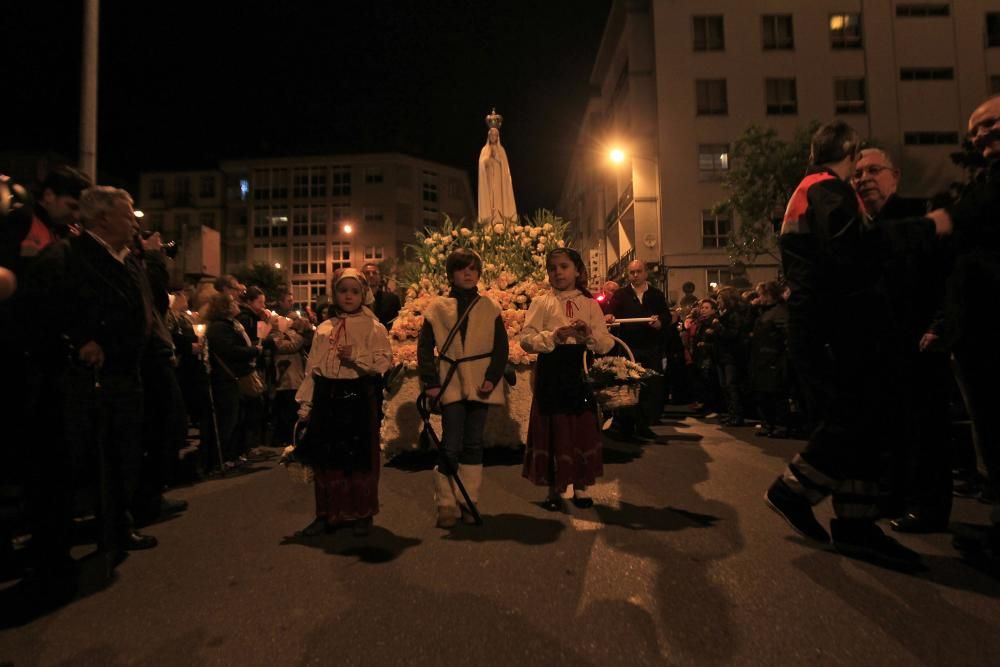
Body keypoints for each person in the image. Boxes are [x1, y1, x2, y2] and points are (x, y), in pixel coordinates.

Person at [764, 121, 936, 569]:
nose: (859, 173)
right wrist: (926, 227)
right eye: (857, 160)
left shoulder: (809, 188)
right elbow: (853, 250)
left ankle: (856, 524)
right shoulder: (827, 190)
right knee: (855, 418)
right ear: (848, 151)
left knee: (859, 423)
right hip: (830, 325)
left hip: (819, 323)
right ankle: (795, 489)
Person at [21, 186, 159, 579]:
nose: (134, 220)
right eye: (127, 212)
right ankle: (68, 546)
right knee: (89, 457)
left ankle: (118, 525)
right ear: (101, 219)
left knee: (123, 454)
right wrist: (82, 339)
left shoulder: (128, 259)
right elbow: (46, 307)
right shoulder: (70, 255)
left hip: (127, 373)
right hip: (89, 379)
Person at [852, 148, 952, 532]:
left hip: (920, 339)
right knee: (889, 424)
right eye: (858, 173)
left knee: (926, 428)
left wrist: (939, 325)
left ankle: (929, 507)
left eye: (873, 170)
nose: (864, 178)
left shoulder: (917, 216)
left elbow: (946, 273)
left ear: (894, 177)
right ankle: (892, 495)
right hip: (881, 344)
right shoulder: (862, 225)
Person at [932, 94, 1000, 558]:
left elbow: (966, 221)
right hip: (976, 328)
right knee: (989, 430)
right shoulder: (986, 178)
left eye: (990, 124)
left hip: (993, 328)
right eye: (975, 129)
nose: (980, 135)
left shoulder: (990, 189)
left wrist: (936, 223)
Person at [295, 269, 391, 537]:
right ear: (334, 294)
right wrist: (307, 403)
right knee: (327, 457)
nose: (348, 296)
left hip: (356, 395)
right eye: (342, 290)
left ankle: (362, 513)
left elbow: (384, 361)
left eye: (354, 291)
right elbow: (312, 368)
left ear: (363, 294)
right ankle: (327, 513)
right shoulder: (324, 329)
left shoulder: (374, 327)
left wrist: (358, 356)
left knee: (358, 457)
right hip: (328, 396)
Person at [417, 249, 508, 528]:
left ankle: (468, 499)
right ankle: (446, 502)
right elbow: (424, 348)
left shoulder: (490, 307)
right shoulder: (437, 307)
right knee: (451, 443)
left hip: (481, 383)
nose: (468, 274)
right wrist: (431, 383)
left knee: (474, 444)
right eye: (461, 269)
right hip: (451, 382)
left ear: (479, 274)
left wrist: (492, 378)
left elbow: (501, 348)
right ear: (451, 274)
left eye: (472, 269)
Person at [520, 248, 614, 509]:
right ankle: (553, 489)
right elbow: (526, 339)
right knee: (554, 427)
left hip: (579, 370)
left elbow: (606, 343)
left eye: (564, 266)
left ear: (577, 270)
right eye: (553, 268)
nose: (558, 272)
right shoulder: (542, 303)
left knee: (581, 426)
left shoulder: (590, 304)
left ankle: (581, 486)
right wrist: (553, 336)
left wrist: (588, 336)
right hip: (552, 370)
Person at [608, 260, 668, 439]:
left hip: (650, 348)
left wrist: (660, 322)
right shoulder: (620, 294)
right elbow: (611, 312)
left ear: (645, 273)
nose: (635, 275)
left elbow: (665, 314)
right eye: (632, 272)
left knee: (648, 388)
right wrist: (609, 316)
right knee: (627, 387)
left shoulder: (656, 294)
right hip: (629, 348)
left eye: (638, 271)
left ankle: (644, 425)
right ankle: (625, 426)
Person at [203, 292, 259, 470]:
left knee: (237, 417)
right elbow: (230, 350)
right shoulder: (220, 327)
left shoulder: (230, 324)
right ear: (224, 306)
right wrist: (254, 350)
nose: (236, 304)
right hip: (225, 379)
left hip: (233, 377)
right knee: (228, 419)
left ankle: (234, 454)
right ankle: (221, 458)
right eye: (232, 301)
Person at [749, 281, 790, 438]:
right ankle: (768, 424)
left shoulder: (779, 311)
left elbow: (785, 332)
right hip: (762, 357)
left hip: (773, 358)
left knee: (776, 394)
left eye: (761, 294)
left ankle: (780, 425)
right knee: (763, 393)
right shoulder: (763, 311)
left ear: (769, 295)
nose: (759, 298)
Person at [477, 113, 517, 222]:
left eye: (495, 135)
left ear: (497, 137)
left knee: (499, 199)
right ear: (489, 136)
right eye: (491, 135)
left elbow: (505, 167)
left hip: (499, 181)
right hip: (489, 180)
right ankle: (490, 220)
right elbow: (481, 164)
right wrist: (488, 159)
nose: (493, 137)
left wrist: (498, 159)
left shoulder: (501, 150)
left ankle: (500, 219)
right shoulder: (484, 150)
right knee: (490, 199)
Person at [362, 262, 401, 327]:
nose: (371, 275)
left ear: (380, 277)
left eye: (374, 273)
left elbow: (397, 322)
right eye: (367, 273)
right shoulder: (356, 300)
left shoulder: (392, 299)